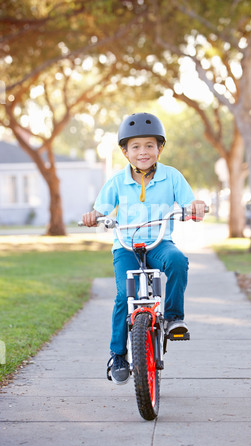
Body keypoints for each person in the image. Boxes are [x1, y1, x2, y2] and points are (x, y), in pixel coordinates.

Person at [82, 112, 206, 385]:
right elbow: (100, 210)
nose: (143, 152)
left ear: (160, 148)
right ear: (125, 152)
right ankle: (118, 354)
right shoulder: (116, 181)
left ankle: (173, 318)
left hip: (160, 242)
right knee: (121, 297)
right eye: (135, 146)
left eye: (149, 145)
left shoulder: (171, 177)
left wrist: (197, 207)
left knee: (177, 261)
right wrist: (93, 217)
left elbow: (191, 203)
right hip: (126, 246)